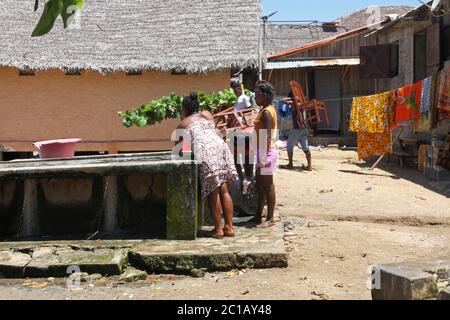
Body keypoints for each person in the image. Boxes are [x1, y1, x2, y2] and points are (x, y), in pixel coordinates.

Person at [177, 92, 238, 238]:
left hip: (206, 153)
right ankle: (229, 228)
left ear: (184, 109)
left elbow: (180, 150)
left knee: (213, 191)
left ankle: (218, 230)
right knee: (224, 189)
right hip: (221, 148)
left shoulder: (183, 124)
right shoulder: (207, 114)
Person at [253, 80, 278, 228]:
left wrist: (263, 157)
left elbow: (267, 135)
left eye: (257, 95)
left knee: (268, 186)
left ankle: (270, 218)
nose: (255, 97)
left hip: (266, 151)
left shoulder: (267, 112)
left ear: (264, 96)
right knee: (261, 185)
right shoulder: (265, 109)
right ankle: (258, 215)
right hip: (262, 151)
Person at [231, 80, 254, 191]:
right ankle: (243, 178)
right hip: (238, 127)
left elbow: (248, 110)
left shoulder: (243, 98)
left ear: (240, 89)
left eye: (237, 90)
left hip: (242, 128)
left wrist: (244, 119)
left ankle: (246, 179)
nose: (236, 92)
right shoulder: (238, 98)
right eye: (234, 91)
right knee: (239, 156)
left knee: (243, 156)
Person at [283, 91, 312, 171]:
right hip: (304, 128)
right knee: (305, 147)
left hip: (297, 129)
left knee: (289, 144)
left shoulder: (294, 104)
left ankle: (290, 164)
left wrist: (290, 99)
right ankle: (309, 166)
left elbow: (283, 100)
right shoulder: (301, 104)